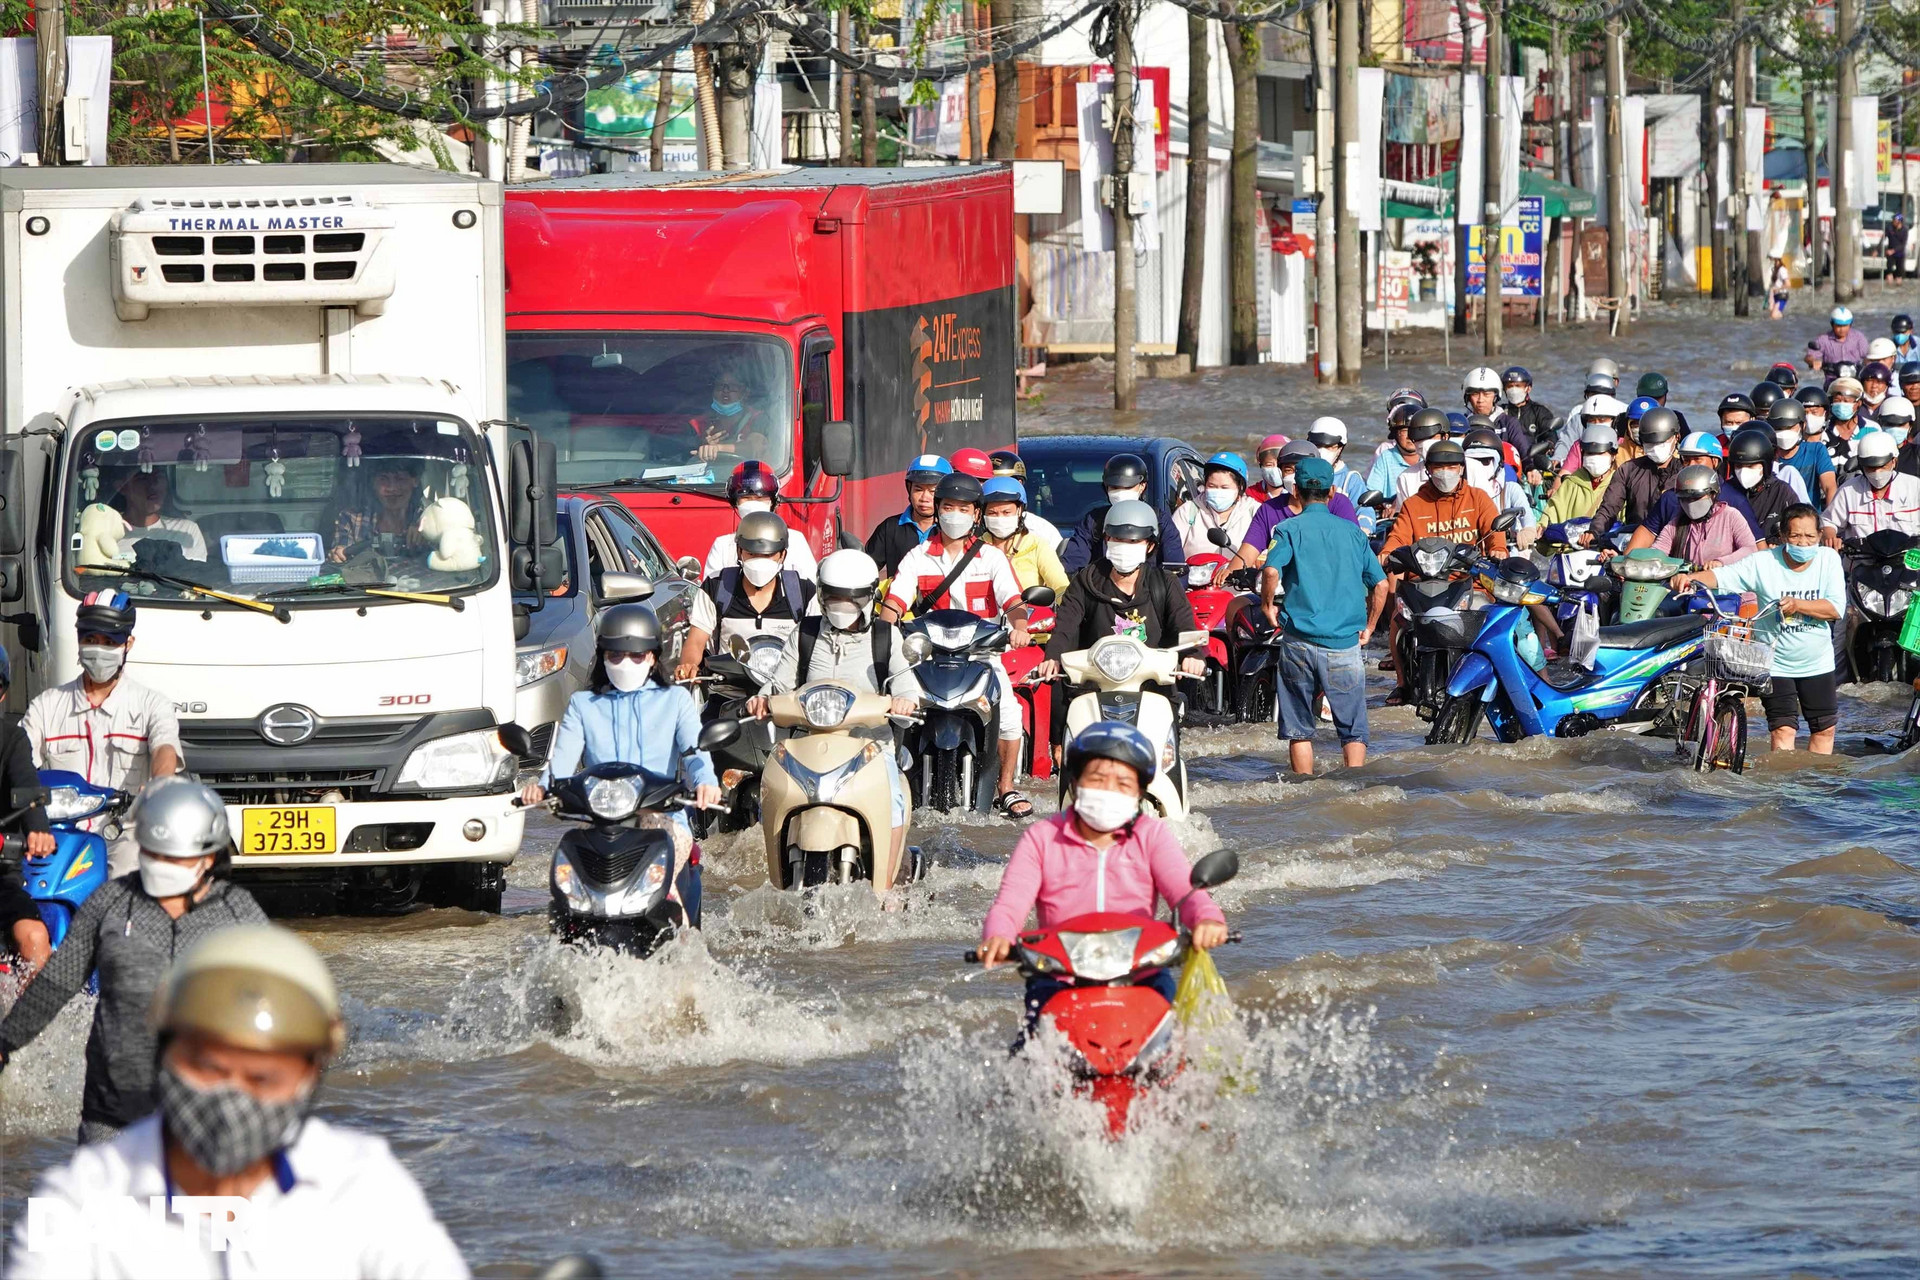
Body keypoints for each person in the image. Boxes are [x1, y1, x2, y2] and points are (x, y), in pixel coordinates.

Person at [10, 925, 468, 1278]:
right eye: (208, 1068)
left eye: (263, 1078)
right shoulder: (81, 1201)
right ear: (162, 1053)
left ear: (311, 1074)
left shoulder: (362, 1186)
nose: (232, 1096)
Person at [0, 777, 266, 1144]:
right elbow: (57, 982)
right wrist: (6, 1043)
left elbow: (273, 995)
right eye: (158, 852)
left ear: (210, 857)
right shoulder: (110, 903)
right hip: (111, 1113)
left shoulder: (237, 912)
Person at [976, 721, 1228, 1026]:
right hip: (1059, 979)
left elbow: (1185, 892)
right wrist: (999, 937)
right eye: (1097, 779)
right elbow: (1009, 904)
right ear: (1075, 783)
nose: (1109, 791)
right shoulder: (1041, 838)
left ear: (1139, 793)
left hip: (1141, 975)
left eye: (1123, 784)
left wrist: (1207, 919)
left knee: (1173, 1052)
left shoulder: (1153, 836)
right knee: (1028, 1055)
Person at [522, 605, 720, 921]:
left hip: (662, 820)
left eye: (636, 656)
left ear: (653, 657)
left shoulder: (676, 701)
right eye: (615, 656)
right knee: (567, 893)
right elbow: (561, 761)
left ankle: (683, 951)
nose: (625, 663)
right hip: (599, 821)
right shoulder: (583, 704)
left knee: (670, 901)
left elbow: (696, 753)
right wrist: (541, 788)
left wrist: (706, 783)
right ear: (602, 657)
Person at [880, 473, 1033, 818]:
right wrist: (882, 631)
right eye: (948, 507)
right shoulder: (917, 557)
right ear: (937, 509)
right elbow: (894, 604)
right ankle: (892, 782)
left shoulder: (992, 558)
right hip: (927, 657)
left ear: (976, 515)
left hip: (982, 656)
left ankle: (1005, 786)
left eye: (964, 508)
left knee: (1009, 715)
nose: (955, 514)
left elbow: (1013, 601)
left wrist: (1019, 626)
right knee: (898, 712)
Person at [750, 549, 917, 866]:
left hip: (872, 749)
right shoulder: (806, 634)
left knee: (893, 801)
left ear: (868, 597)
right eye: (833, 597)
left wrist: (905, 702)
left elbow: (907, 688)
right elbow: (779, 683)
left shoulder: (886, 637)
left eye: (851, 598)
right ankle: (775, 871)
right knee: (770, 796)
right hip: (808, 745)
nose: (843, 606)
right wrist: (762, 699)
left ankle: (889, 884)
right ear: (822, 595)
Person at [22, 592, 181, 877]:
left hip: (124, 837)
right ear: (79, 641)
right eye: (91, 640)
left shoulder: (152, 704)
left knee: (128, 888)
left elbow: (165, 748)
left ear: (128, 644)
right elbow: (19, 758)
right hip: (59, 835)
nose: (99, 649)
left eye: (110, 642)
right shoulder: (46, 705)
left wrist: (160, 783)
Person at [1672, 506, 1845, 755]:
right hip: (1776, 664)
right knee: (1783, 729)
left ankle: (1815, 788)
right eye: (1796, 536)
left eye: (1810, 537)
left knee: (1824, 729)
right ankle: (1782, 788)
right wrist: (1691, 579)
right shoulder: (1763, 563)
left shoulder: (1828, 560)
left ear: (1819, 536)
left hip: (1818, 663)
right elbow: (1722, 576)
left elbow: (1835, 608)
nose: (1803, 543)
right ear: (1784, 536)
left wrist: (1798, 606)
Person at [1260, 458, 1386, 775]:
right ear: (1331, 492)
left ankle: (1304, 790)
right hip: (1344, 645)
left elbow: (1272, 570)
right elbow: (1381, 585)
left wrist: (1267, 606)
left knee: (1299, 727)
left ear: (1297, 493)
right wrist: (1370, 627)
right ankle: (1355, 789)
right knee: (1353, 728)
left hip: (1299, 642)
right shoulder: (1354, 533)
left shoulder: (1287, 530)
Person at [1379, 440, 1507, 704]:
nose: (1445, 472)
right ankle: (1402, 684)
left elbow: (1495, 534)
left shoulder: (1478, 499)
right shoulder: (1414, 504)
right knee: (1396, 621)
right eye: (1439, 467)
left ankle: (1500, 680)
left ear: (1461, 468)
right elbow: (1398, 535)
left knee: (1498, 623)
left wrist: (1498, 549)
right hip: (1422, 584)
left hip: (1466, 582)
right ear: (1428, 470)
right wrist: (1387, 552)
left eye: (1451, 466)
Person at [677, 510, 817, 680]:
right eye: (751, 554)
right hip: (728, 690)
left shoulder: (804, 591)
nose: (759, 561)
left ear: (782, 555)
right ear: (739, 552)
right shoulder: (716, 586)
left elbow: (818, 647)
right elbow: (696, 640)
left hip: (784, 693)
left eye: (768, 555)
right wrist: (689, 665)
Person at [0, 648, 54, 972]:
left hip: (2, 879)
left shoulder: (13, 740)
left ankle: (35, 1022)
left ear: (3, 694)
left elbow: (26, 785)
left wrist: (38, 829)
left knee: (34, 936)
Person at [1058, 454, 1186, 575]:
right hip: (1100, 592)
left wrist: (1159, 594)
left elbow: (1175, 568)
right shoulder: (1094, 521)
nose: (1120, 492)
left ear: (1142, 486)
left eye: (1127, 488)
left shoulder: (1160, 522)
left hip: (1150, 594)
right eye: (1114, 488)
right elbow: (1073, 562)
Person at [703, 460, 819, 581]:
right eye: (746, 498)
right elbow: (711, 591)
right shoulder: (723, 545)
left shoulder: (795, 541)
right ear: (735, 502)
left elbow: (810, 588)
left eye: (760, 498)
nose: (753, 503)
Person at [1590, 406, 1685, 533]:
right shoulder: (1628, 469)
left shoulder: (1685, 472)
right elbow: (1608, 509)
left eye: (1661, 442)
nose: (1655, 447)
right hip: (1633, 542)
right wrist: (1594, 532)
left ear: (1676, 437)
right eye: (1650, 442)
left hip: (1672, 543)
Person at [1645, 464, 1758, 570]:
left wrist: (1721, 562)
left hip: (1723, 587)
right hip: (1687, 585)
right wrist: (1643, 562)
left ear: (1713, 494)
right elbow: (1657, 552)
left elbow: (1750, 549)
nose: (1690, 503)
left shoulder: (1731, 517)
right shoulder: (1677, 523)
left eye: (1696, 497)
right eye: (1685, 498)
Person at [1821, 429, 1920, 545]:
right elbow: (1828, 521)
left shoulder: (1914, 487)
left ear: (1894, 461)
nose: (1877, 472)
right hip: (1862, 560)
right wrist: (1830, 536)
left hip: (1905, 560)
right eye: (1871, 467)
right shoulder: (1848, 491)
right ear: (1862, 465)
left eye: (1882, 466)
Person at [328, 456, 425, 563]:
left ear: (415, 481)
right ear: (373, 483)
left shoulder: (426, 519)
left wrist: (426, 534)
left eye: (400, 479)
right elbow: (342, 556)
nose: (391, 488)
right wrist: (338, 554)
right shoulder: (351, 519)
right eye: (383, 479)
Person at [867, 453, 951, 577]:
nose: (924, 498)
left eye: (933, 491)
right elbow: (867, 567)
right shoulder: (890, 527)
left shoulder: (952, 530)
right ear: (909, 489)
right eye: (918, 489)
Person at [980, 476, 1068, 594]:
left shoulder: (1037, 546)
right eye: (992, 513)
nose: (1000, 518)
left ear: (1020, 511)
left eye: (1006, 512)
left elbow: (1061, 588)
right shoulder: (975, 548)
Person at [107, 466, 208, 563]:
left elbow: (195, 575)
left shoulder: (186, 531)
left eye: (159, 476)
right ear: (122, 487)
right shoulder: (104, 531)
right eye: (143, 478)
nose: (153, 484)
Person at [1170, 452, 1261, 559]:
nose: (1218, 492)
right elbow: (1171, 551)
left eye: (1224, 487)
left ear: (1240, 487)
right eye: (1212, 486)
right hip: (1195, 574)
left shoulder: (1256, 512)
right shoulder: (1188, 511)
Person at [1304, 417, 1380, 535]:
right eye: (1318, 445)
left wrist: (1364, 529)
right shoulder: (1301, 476)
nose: (1323, 451)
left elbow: (1365, 512)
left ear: (1341, 448)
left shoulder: (1350, 480)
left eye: (1330, 447)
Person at [1725, 426, 1803, 539]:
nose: (1743, 471)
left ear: (1765, 465)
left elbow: (1799, 529)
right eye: (1738, 466)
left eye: (1750, 466)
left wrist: (1779, 544)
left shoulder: (1781, 492)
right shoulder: (1725, 493)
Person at [1462, 427, 1535, 546]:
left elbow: (1527, 516)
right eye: (1472, 461)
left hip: (1506, 552)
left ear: (1499, 463)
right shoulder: (1458, 494)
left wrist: (1527, 531)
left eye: (1485, 461)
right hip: (1466, 553)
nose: (1477, 467)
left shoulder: (1510, 489)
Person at [1543, 422, 1621, 526]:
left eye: (1600, 453)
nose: (1594, 458)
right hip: (1571, 540)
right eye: (1590, 453)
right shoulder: (1571, 482)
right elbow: (1552, 511)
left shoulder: (1619, 484)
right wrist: (1541, 526)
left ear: (1613, 455)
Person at [692, 364, 772, 461]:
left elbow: (755, 447)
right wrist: (702, 445)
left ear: (745, 393)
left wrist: (717, 448)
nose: (725, 391)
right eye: (720, 386)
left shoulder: (758, 418)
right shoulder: (699, 424)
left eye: (733, 387)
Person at [1770, 398, 1838, 505]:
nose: (1784, 433)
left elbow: (1829, 487)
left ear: (1803, 426)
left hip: (1810, 517)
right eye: (1779, 428)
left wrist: (1830, 518)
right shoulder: (1767, 454)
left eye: (1790, 427)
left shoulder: (1816, 450)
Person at [989, 450, 1064, 548]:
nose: (994, 490)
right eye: (987, 482)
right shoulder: (972, 528)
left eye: (1002, 483)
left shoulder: (1042, 532)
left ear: (1019, 483)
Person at [1366, 407, 1437, 501]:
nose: (1410, 436)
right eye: (1405, 431)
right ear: (1395, 433)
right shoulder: (1386, 457)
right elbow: (1372, 491)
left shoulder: (1431, 457)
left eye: (1415, 431)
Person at [1497, 366, 1555, 462]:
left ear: (1528, 388)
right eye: (1510, 386)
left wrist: (1548, 444)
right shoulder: (1500, 411)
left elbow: (1550, 435)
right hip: (1506, 460)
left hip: (1534, 460)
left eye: (1518, 386)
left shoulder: (1540, 412)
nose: (1514, 390)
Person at [1806, 304, 1868, 376]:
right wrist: (1813, 361)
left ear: (1850, 325)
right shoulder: (1823, 339)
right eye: (1838, 326)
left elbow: (1868, 356)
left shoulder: (1859, 338)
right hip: (1832, 378)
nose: (1842, 329)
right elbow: (1809, 357)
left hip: (1855, 377)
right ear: (1832, 324)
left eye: (1845, 326)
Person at [1249, 433, 1292, 502]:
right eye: (1269, 465)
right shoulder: (1250, 495)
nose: (1275, 469)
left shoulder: (1298, 495)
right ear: (1261, 465)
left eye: (1279, 464)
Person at [1887, 218, 1909, 283]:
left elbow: (1903, 244)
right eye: (1893, 221)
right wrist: (1877, 250)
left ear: (1899, 222)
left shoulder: (1905, 230)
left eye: (1895, 221)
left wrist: (1893, 250)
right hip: (1890, 252)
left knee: (1899, 271)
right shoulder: (1890, 228)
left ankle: (1898, 279)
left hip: (1899, 252)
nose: (1893, 222)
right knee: (1889, 268)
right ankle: (1889, 278)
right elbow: (1883, 238)